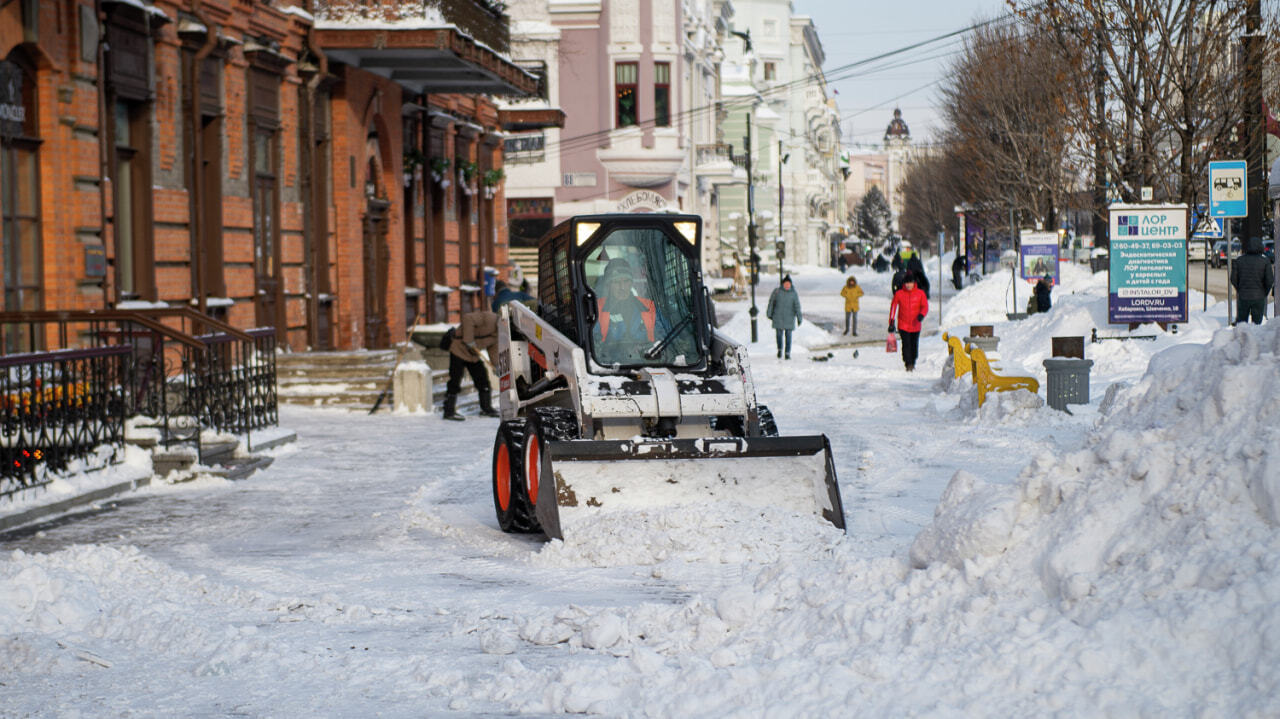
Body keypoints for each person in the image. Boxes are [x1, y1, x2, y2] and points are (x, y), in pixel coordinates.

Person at [592, 258, 669, 363]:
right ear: (608, 285)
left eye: (626, 281)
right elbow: (594, 346)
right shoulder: (596, 310)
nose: (622, 287)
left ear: (631, 283)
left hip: (649, 364)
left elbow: (666, 338)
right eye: (616, 282)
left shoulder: (648, 307)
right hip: (611, 369)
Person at [443, 309, 500, 421]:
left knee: (483, 379)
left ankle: (486, 408)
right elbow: (467, 318)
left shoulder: (497, 334)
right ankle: (449, 411)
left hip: (473, 355)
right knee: (455, 380)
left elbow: (493, 350)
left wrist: (496, 365)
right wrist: (469, 340)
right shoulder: (490, 318)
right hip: (458, 349)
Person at [888, 273, 928, 372]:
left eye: (910, 283)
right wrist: (891, 322)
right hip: (903, 324)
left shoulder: (920, 293)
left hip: (916, 324)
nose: (908, 285)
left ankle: (913, 360)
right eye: (906, 283)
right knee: (906, 344)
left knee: (914, 344)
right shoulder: (899, 293)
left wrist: (921, 315)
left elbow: (925, 306)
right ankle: (908, 363)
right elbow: (893, 307)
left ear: (914, 283)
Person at [1230, 236, 1274, 324]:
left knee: (1242, 324)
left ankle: (1243, 337)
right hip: (1259, 296)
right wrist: (1264, 292)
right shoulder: (1265, 261)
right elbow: (1269, 280)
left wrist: (1239, 289)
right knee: (1257, 324)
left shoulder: (1239, 261)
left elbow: (1233, 278)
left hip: (1243, 296)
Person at [766, 274, 803, 359]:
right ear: (782, 284)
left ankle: (787, 352)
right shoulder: (777, 292)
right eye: (785, 284)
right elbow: (771, 303)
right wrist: (769, 313)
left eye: (788, 284)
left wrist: (799, 317)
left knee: (788, 336)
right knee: (779, 335)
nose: (787, 285)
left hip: (789, 318)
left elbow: (797, 306)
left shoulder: (794, 294)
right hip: (778, 317)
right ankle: (779, 349)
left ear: (791, 284)